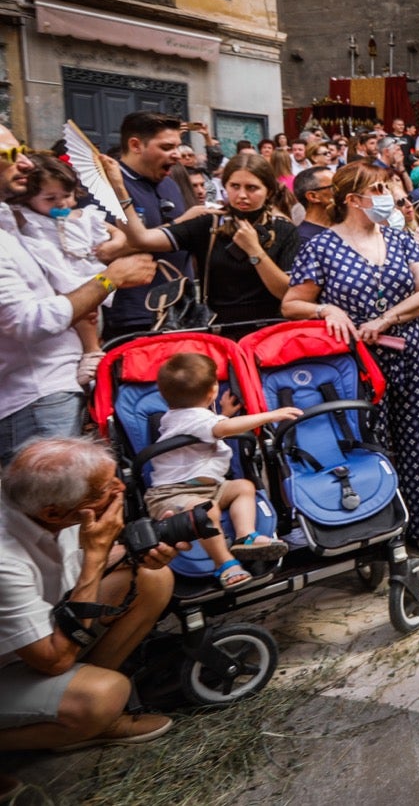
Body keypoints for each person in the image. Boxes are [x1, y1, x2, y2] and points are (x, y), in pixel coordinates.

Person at [280, 162, 419, 552]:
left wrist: (388, 318)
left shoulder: (400, 238)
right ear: (353, 199)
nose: (387, 196)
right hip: (356, 360)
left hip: (409, 350)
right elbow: (291, 304)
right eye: (378, 188)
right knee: (367, 439)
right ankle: (377, 525)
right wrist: (326, 310)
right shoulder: (320, 246)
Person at [0, 437, 178, 751]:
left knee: (152, 577)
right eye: (105, 489)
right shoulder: (5, 559)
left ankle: (75, 705)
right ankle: (87, 717)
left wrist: (141, 548)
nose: (120, 490)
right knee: (103, 696)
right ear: (54, 513)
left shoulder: (41, 503)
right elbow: (53, 661)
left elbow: (71, 567)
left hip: (36, 635)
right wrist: (96, 556)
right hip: (17, 662)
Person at [0, 134, 155, 464]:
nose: (25, 162)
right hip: (34, 396)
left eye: (23, 152)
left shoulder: (11, 219)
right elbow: (28, 322)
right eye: (12, 154)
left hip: (53, 386)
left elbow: (122, 235)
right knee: (53, 508)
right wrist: (108, 280)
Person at [148, 353, 299, 588]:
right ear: (213, 391)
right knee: (205, 512)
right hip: (172, 496)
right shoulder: (197, 419)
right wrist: (271, 415)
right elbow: (219, 428)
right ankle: (225, 563)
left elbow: (206, 427)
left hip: (207, 488)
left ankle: (245, 536)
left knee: (243, 488)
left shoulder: (177, 416)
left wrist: (223, 415)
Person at [107, 153, 301, 331]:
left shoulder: (284, 230)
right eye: (234, 186)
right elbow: (141, 238)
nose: (242, 195)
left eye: (252, 188)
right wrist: (120, 191)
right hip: (218, 333)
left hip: (270, 332)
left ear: (268, 191)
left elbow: (287, 292)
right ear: (224, 187)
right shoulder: (208, 224)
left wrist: (254, 251)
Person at [10, 155, 115, 379]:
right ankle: (91, 351)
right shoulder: (25, 217)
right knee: (72, 308)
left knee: (90, 311)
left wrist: (113, 245)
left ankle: (93, 349)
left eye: (66, 196)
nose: (61, 204)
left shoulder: (81, 217)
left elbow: (118, 235)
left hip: (83, 273)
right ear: (29, 198)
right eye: (50, 198)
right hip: (55, 275)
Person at [104, 112, 189, 340]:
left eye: (178, 146)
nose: (177, 155)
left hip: (180, 310)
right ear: (135, 145)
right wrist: (180, 227)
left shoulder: (170, 184)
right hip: (135, 317)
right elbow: (102, 252)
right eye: (167, 147)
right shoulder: (105, 188)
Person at [292, 165, 335, 244]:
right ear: (313, 196)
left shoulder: (340, 227)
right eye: (334, 187)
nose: (342, 191)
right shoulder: (304, 240)